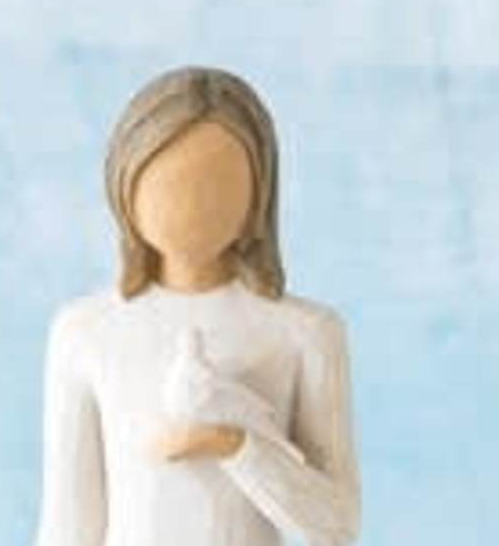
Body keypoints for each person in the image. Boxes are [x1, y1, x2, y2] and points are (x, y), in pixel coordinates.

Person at [33, 66, 362, 546]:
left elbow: (336, 524)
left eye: (218, 186)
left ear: (259, 193)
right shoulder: (85, 332)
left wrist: (235, 446)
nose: (191, 206)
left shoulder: (306, 334)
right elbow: (68, 529)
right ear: (125, 184)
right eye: (167, 185)